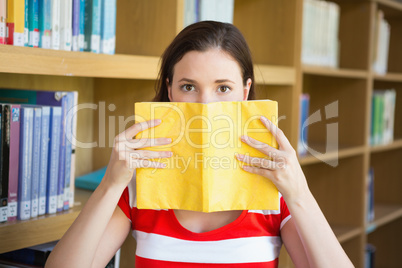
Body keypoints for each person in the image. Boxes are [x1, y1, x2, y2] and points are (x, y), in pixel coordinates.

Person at [45, 21, 353, 267]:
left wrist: (299, 195)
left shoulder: (274, 192)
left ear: (245, 92)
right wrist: (110, 186)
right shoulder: (140, 186)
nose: (206, 106)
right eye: (189, 86)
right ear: (170, 91)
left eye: (223, 87)